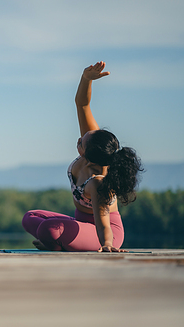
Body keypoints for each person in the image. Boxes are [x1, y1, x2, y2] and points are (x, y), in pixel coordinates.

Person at [21, 61, 143, 252]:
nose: (80, 137)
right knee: (30, 217)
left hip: (103, 233)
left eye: (81, 142)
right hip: (80, 224)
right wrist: (86, 79)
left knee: (48, 229)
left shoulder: (98, 183)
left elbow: (103, 224)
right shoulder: (95, 144)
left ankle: (57, 242)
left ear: (87, 154)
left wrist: (108, 245)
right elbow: (82, 104)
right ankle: (59, 240)